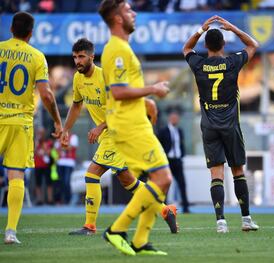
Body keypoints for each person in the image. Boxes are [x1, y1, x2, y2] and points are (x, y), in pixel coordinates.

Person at [63, 38, 177, 235]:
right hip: (108, 135)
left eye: (81, 57)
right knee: (127, 180)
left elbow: (120, 107)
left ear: (91, 56)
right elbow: (76, 105)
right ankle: (165, 210)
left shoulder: (105, 77)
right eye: (74, 57)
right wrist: (65, 129)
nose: (77, 61)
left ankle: (89, 225)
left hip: (116, 131)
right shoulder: (77, 79)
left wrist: (100, 126)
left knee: (92, 174)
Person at [99, 0, 176, 256]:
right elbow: (119, 93)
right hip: (129, 126)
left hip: (135, 122)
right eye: (128, 9)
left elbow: (121, 91)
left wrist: (147, 100)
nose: (134, 13)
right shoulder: (117, 50)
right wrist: (152, 89)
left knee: (159, 181)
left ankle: (141, 241)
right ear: (118, 18)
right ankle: (117, 230)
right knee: (163, 179)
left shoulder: (122, 49)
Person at [183, 15, 259, 233]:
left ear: (206, 46)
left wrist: (200, 29)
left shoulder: (199, 64)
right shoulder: (232, 63)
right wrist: (232, 27)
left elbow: (186, 48)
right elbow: (253, 44)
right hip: (230, 125)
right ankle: (246, 220)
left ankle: (221, 222)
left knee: (216, 175)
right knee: (238, 171)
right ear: (223, 44)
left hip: (209, 125)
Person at [0, 12, 62, 244]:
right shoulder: (36, 56)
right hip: (20, 123)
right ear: (31, 33)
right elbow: (46, 94)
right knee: (16, 175)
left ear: (11, 29)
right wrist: (57, 120)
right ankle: (10, 232)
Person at [158, 109, 190, 213]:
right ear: (169, 119)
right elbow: (159, 146)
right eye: (173, 118)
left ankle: (186, 208)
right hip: (168, 161)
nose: (175, 119)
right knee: (166, 184)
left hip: (177, 161)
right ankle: (164, 208)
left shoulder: (179, 131)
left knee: (182, 184)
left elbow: (180, 144)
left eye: (176, 118)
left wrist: (182, 156)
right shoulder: (163, 131)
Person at [33, 127, 54, 205]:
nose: (40, 135)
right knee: (38, 183)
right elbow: (34, 152)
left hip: (46, 165)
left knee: (49, 183)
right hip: (37, 165)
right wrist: (37, 143)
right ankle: (39, 199)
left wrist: (43, 149)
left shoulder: (48, 142)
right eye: (39, 133)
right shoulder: (35, 142)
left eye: (42, 133)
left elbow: (48, 152)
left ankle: (50, 199)